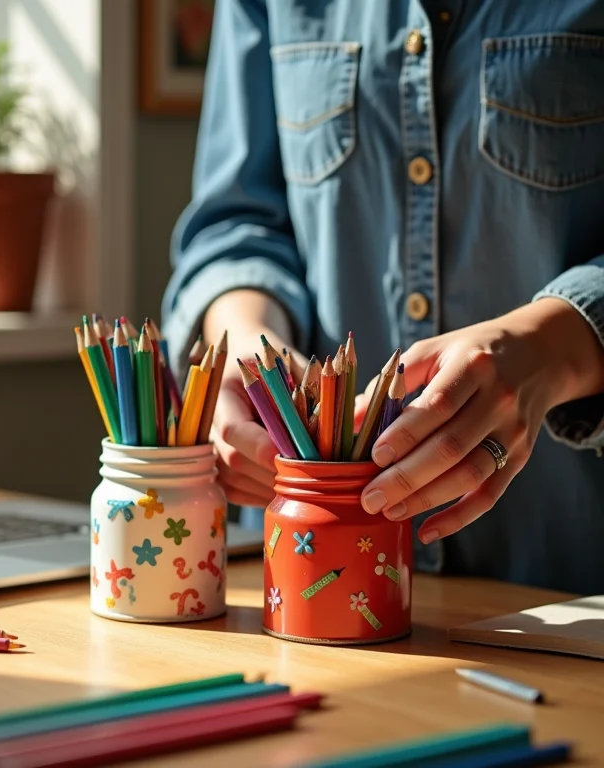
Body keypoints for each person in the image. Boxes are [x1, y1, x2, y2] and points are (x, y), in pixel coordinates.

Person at [161, 0, 604, 594]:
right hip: (307, 575)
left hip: (571, 580)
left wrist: (549, 348)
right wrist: (244, 339)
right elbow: (235, 224)